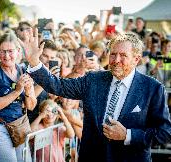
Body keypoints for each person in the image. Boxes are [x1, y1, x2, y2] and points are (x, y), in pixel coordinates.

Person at [23, 31, 171, 162]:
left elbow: (164, 133)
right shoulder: (93, 80)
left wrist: (127, 135)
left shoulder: (153, 88)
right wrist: (35, 62)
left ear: (136, 59)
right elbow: (58, 85)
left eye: (123, 55)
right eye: (113, 54)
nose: (116, 60)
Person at [0, 32, 37, 162]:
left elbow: (31, 106)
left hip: (17, 127)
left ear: (18, 51)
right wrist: (17, 91)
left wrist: (28, 91)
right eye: (3, 51)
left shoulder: (23, 71)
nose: (7, 56)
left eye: (10, 51)